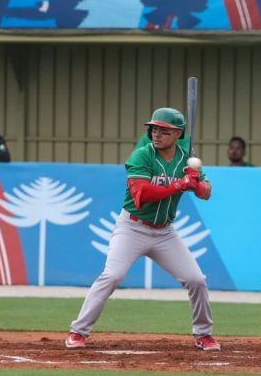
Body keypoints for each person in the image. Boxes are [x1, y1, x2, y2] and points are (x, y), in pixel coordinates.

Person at [66, 107, 220, 351]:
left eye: (164, 130)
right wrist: (180, 184)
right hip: (132, 227)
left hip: (165, 233)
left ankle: (204, 334)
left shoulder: (185, 159)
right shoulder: (142, 155)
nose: (156, 134)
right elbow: (142, 195)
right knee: (112, 276)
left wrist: (196, 183)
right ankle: (78, 331)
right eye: (154, 129)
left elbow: (207, 193)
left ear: (178, 134)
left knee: (196, 279)